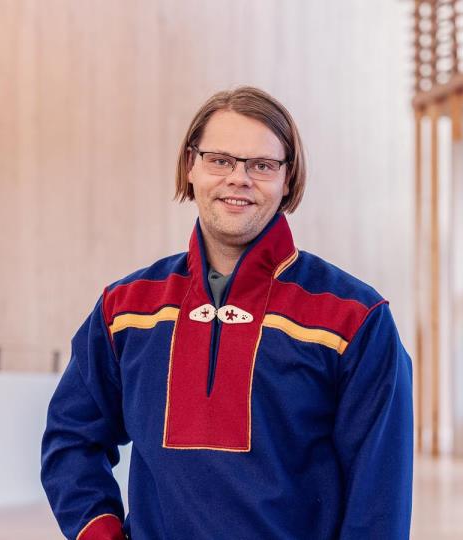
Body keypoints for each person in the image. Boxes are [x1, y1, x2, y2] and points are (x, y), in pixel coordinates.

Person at [41, 86, 413, 540]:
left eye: (262, 165)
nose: (239, 178)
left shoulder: (354, 318)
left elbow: (379, 497)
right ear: (191, 166)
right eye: (220, 160)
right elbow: (71, 438)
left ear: (288, 178)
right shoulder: (127, 309)